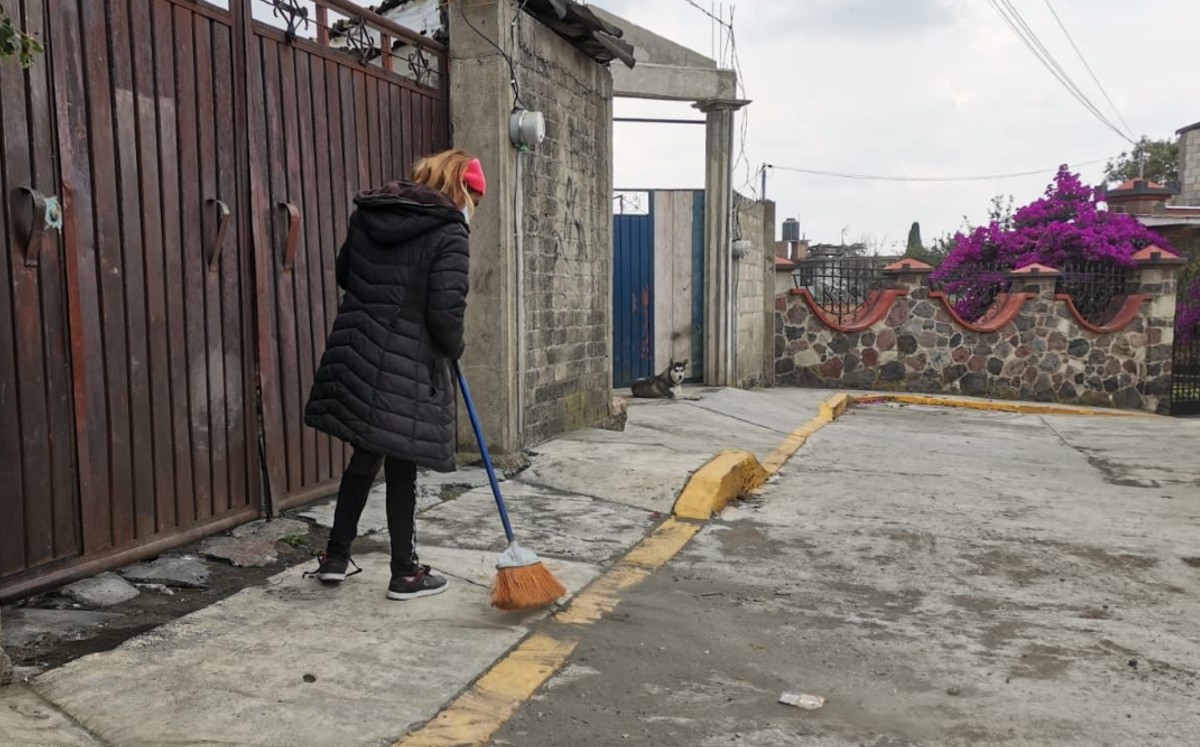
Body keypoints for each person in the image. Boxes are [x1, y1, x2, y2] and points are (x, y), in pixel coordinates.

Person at [303, 149, 485, 600]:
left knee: (366, 455)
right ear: (461, 190)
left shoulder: (371, 213)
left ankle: (335, 557)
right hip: (406, 360)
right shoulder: (449, 232)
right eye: (474, 199)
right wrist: (452, 346)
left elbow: (347, 271)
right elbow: (446, 314)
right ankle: (405, 572)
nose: (472, 209)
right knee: (402, 463)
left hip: (361, 348)